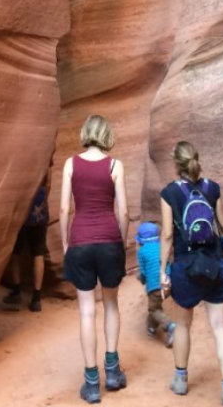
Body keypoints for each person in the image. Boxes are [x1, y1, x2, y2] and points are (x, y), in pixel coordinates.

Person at [160, 141, 223, 406]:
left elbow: (167, 235)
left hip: (185, 268)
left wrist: (163, 270)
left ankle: (180, 380)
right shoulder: (212, 188)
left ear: (176, 163)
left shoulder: (170, 193)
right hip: (215, 265)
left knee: (183, 324)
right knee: (220, 326)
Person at [60, 115, 129, 404]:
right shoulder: (115, 166)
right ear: (106, 134)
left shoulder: (70, 164)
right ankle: (112, 371)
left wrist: (66, 244)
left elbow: (64, 208)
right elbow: (123, 212)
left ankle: (91, 383)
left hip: (80, 242)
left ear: (85, 132)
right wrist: (121, 243)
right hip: (109, 241)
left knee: (87, 311)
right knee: (111, 304)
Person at [4, 174, 50, 312]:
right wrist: (42, 202)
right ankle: (36, 299)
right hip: (39, 209)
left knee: (15, 251)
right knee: (38, 253)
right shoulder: (47, 161)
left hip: (22, 207)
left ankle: (16, 291)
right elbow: (48, 183)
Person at [136, 221, 175, 346]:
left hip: (155, 287)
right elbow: (168, 262)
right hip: (168, 283)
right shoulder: (162, 247)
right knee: (155, 307)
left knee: (154, 310)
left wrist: (142, 279)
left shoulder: (142, 252)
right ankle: (152, 328)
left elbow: (143, 273)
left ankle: (170, 326)